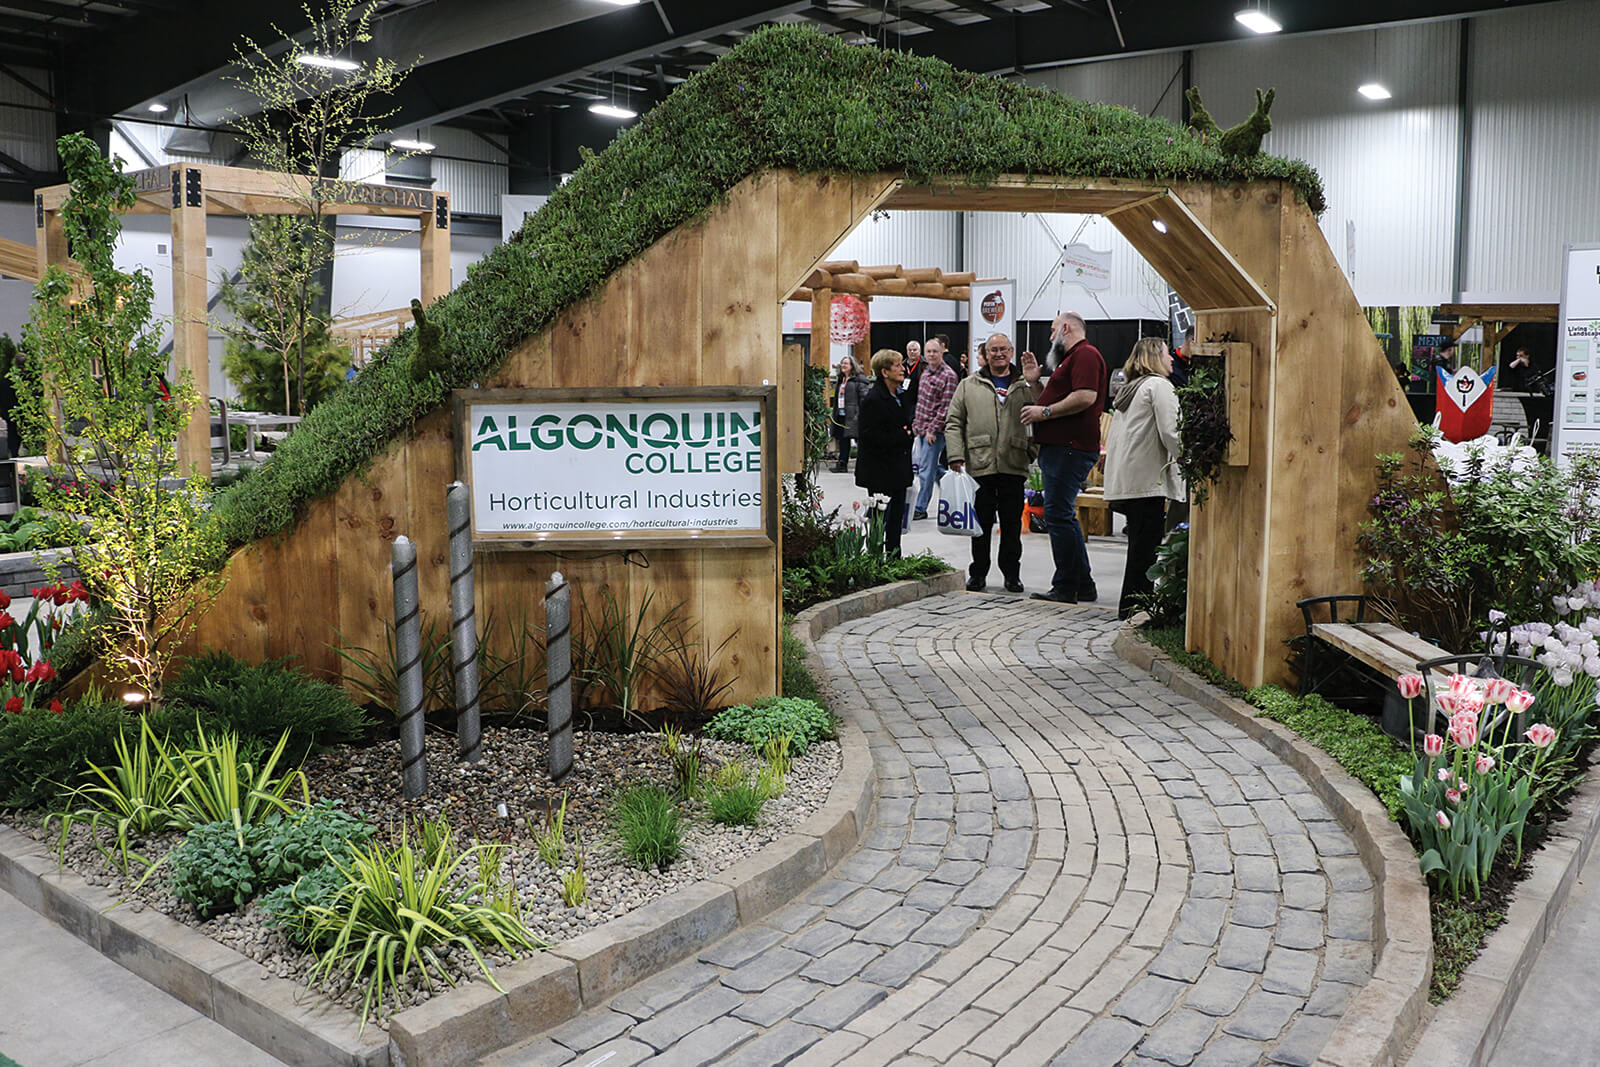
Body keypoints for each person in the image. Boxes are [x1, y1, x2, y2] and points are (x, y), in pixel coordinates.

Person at [1020, 311, 1108, 604]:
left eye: (1053, 329)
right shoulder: (1072, 359)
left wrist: (1044, 412)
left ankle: (1067, 585)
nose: (1050, 337)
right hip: (1062, 447)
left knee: (1058, 515)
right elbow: (1059, 398)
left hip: (1070, 447)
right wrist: (1035, 384)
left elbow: (1085, 396)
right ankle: (1081, 584)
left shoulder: (1085, 355)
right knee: (1061, 515)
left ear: (1066, 328)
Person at [946, 332, 1041, 593]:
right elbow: (953, 422)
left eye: (1003, 349)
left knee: (1011, 526)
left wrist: (1030, 452)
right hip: (980, 466)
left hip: (1013, 464)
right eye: (993, 350)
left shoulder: (1025, 385)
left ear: (1011, 352)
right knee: (981, 526)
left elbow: (1040, 417)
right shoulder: (968, 385)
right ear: (985, 354)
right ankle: (978, 574)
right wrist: (955, 455)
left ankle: (1012, 575)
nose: (998, 354)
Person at [1103, 338, 1185, 620]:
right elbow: (1172, 431)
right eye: (1167, 354)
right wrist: (1189, 457)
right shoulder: (1159, 386)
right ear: (1155, 358)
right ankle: (1138, 611)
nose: (1171, 359)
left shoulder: (1131, 388)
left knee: (1138, 549)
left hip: (1128, 480)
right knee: (1145, 551)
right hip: (1149, 480)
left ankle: (1130, 607)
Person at [855, 348, 914, 557]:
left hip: (898, 468)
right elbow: (869, 436)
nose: (902, 369)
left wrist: (906, 434)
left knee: (897, 518)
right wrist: (903, 436)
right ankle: (876, 558)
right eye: (897, 365)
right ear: (884, 372)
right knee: (881, 519)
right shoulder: (874, 399)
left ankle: (894, 557)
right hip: (880, 471)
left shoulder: (900, 395)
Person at [910, 337, 957, 520]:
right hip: (921, 429)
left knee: (925, 471)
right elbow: (921, 402)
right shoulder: (925, 373)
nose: (931, 355)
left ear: (941, 352)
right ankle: (953, 484)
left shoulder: (949, 376)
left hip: (935, 432)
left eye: (935, 351)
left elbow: (946, 408)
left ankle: (920, 507)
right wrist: (916, 425)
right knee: (930, 467)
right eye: (928, 351)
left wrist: (933, 429)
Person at [829, 355, 869, 473]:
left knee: (858, 439)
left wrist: (860, 413)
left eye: (846, 363)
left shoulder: (859, 380)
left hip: (854, 415)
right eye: (842, 363)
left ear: (852, 366)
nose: (843, 365)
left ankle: (864, 465)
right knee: (843, 439)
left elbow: (864, 397)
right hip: (841, 414)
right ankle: (842, 463)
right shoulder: (841, 379)